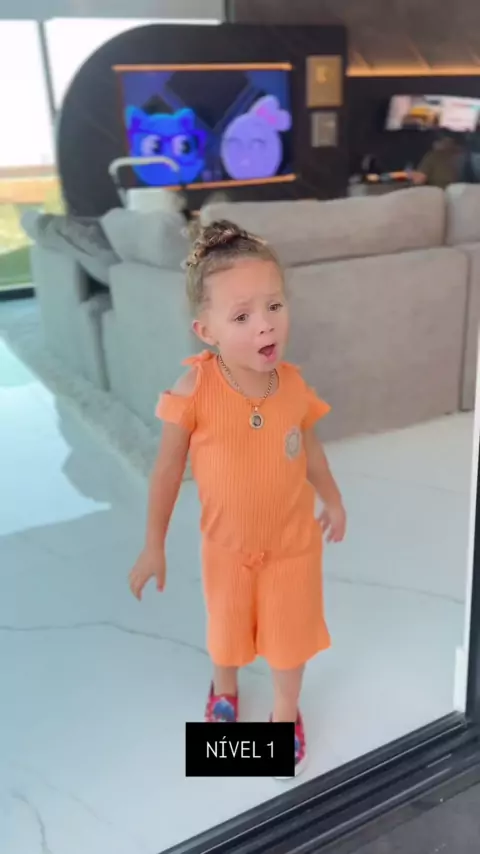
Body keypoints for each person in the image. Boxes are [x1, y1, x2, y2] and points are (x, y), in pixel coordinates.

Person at [128, 220, 346, 775]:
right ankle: (224, 686)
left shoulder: (292, 386)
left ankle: (284, 715)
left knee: (290, 638)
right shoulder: (194, 391)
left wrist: (333, 499)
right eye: (242, 316)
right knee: (226, 631)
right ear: (207, 331)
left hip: (292, 546)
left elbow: (311, 452)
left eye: (274, 306)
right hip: (226, 549)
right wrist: (153, 545)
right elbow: (166, 473)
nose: (265, 324)